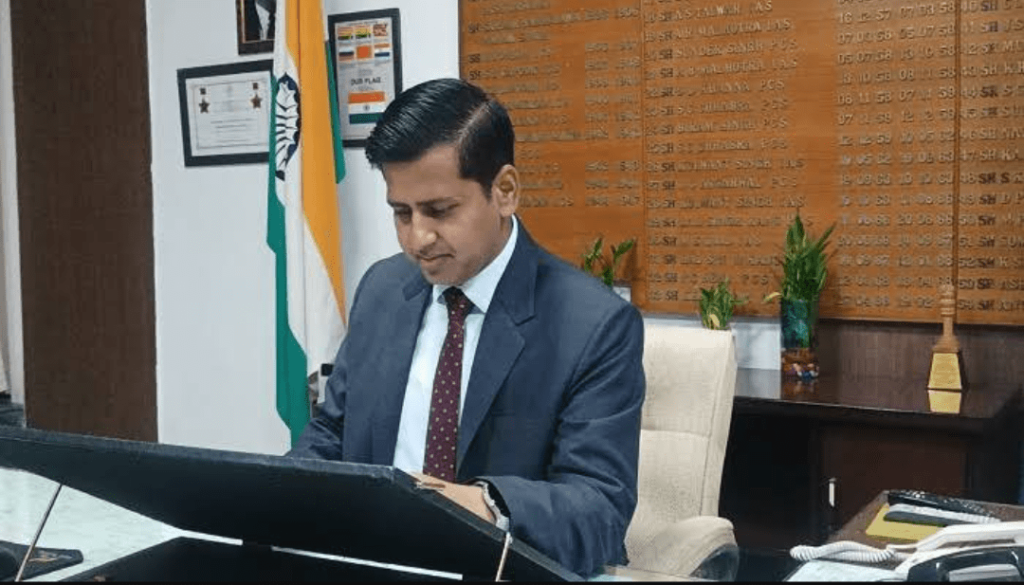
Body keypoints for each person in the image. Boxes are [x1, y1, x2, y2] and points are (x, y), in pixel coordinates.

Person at [288, 78, 645, 577]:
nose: (418, 238)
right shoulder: (382, 290)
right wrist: (277, 497)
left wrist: (487, 505)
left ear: (505, 191)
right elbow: (333, 432)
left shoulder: (593, 325)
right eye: (401, 213)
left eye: (440, 211)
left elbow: (600, 511)